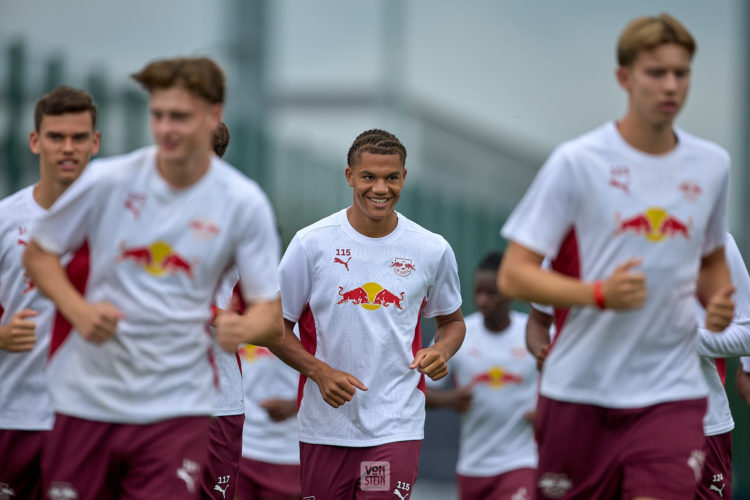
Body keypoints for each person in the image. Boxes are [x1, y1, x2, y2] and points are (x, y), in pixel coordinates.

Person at [23, 57, 283, 500]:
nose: (167, 128)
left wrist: (243, 326)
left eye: (179, 116)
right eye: (158, 115)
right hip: (90, 399)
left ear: (212, 116)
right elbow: (40, 252)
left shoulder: (244, 203)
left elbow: (269, 315)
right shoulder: (106, 181)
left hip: (180, 405)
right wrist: (79, 310)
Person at [499, 14, 734, 500]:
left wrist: (720, 299)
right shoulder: (577, 163)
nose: (671, 85)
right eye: (656, 72)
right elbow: (513, 276)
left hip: (671, 395)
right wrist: (597, 293)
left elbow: (712, 258)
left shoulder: (712, 166)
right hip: (579, 392)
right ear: (624, 78)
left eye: (681, 72)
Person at [272, 128, 465, 498]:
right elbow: (274, 328)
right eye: (369, 177)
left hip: (396, 424)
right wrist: (320, 372)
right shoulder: (311, 243)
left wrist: (441, 351)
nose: (381, 188)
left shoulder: (431, 249)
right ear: (349, 177)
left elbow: (452, 322)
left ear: (404, 177)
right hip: (324, 425)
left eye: (392, 177)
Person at [526, 234, 750, 500]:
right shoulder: (576, 235)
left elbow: (746, 334)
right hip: (599, 423)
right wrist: (550, 355)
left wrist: (681, 336)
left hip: (699, 422)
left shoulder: (711, 237)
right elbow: (537, 315)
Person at [0, 86, 100, 500]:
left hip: (89, 416)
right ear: (35, 141)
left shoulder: (121, 222)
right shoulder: (6, 219)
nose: (67, 148)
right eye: (56, 137)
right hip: (13, 414)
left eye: (79, 138)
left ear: (95, 143)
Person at [425, 251, 537, 500]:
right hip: (472, 466)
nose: (483, 300)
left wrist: (548, 410)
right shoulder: (458, 335)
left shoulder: (534, 334)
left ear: (509, 293)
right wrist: (449, 399)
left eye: (492, 293)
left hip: (522, 461)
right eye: (478, 292)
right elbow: (418, 391)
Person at [199, 121, 245, 500]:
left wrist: (217, 318)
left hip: (216, 402)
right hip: (140, 398)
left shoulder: (242, 217)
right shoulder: (132, 211)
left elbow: (273, 317)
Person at [235, 328, 301, 500]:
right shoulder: (233, 311)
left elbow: (331, 376)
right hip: (242, 447)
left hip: (288, 452)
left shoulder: (304, 318)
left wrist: (294, 405)